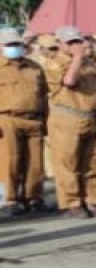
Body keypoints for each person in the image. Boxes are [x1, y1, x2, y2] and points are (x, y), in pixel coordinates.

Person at [45, 26, 96, 218]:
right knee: (68, 164)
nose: (76, 46)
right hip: (68, 117)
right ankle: (72, 203)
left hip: (94, 117)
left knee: (93, 163)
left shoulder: (89, 63)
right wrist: (77, 58)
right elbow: (69, 81)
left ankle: (92, 200)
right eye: (70, 42)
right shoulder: (55, 63)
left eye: (77, 41)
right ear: (60, 44)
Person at [0, 27, 50, 217]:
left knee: (35, 163)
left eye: (17, 44)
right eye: (10, 44)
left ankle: (33, 197)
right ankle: (8, 200)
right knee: (9, 162)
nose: (15, 47)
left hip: (34, 119)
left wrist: (45, 119)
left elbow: (43, 95)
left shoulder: (34, 67)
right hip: (7, 119)